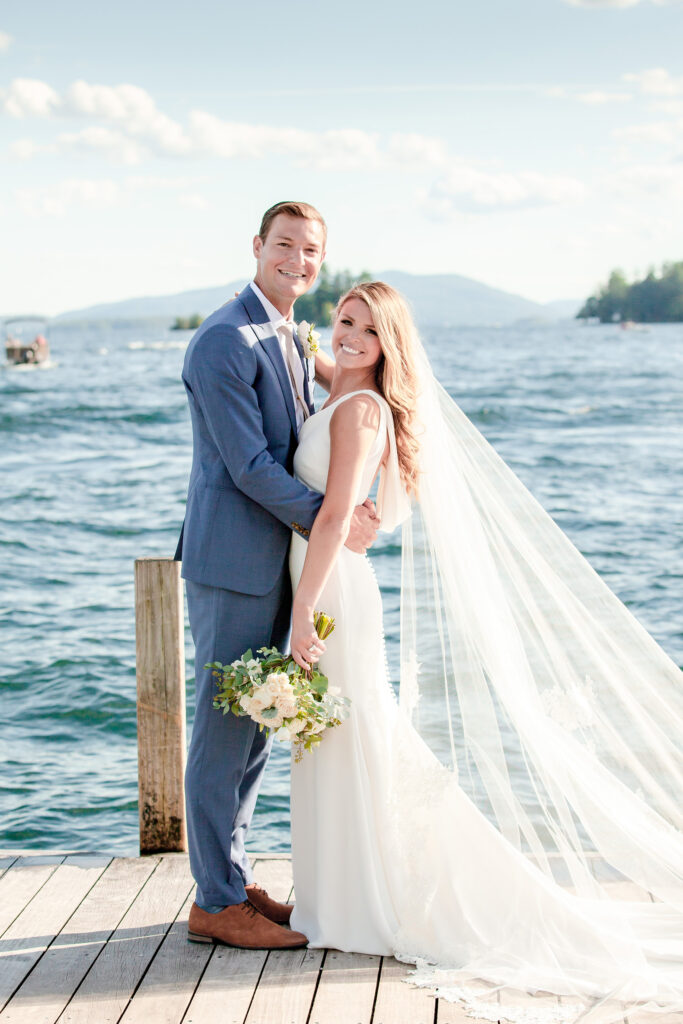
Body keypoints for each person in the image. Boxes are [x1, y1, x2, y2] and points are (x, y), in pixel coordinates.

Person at [286, 281, 683, 1023]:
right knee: (331, 742)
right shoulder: (338, 382)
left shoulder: (364, 409)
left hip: (333, 590)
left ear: (388, 347)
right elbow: (311, 357)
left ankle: (357, 905)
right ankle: (330, 900)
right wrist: (297, 338)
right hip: (323, 578)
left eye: (366, 332)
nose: (348, 337)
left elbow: (338, 512)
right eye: (342, 321)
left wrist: (303, 609)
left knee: (351, 740)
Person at [174, 201, 379, 950]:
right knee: (222, 730)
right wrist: (333, 515)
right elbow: (251, 467)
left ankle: (232, 876)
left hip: (282, 559)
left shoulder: (287, 333)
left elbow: (334, 420)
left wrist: (355, 502)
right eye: (284, 244)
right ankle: (213, 902)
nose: (298, 258)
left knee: (258, 724)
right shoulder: (223, 341)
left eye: (311, 249)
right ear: (257, 246)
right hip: (234, 561)